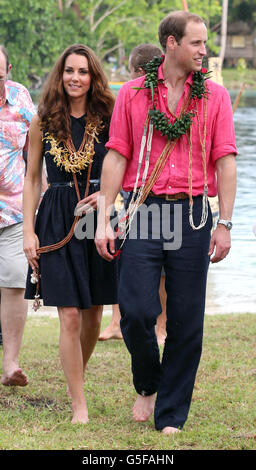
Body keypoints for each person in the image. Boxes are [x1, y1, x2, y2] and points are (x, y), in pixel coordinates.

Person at [95, 11, 237, 434]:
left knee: (187, 319)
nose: (203, 50)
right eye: (196, 43)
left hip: (194, 213)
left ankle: (171, 415)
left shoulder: (215, 97)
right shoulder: (133, 93)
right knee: (135, 310)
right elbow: (117, 155)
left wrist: (225, 222)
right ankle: (148, 382)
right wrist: (105, 218)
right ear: (171, 44)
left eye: (205, 42)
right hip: (143, 209)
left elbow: (225, 161)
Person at [23, 44, 118, 424]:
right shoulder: (42, 120)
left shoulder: (108, 117)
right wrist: (28, 231)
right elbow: (31, 180)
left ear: (93, 76)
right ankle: (79, 405)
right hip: (56, 218)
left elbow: (125, 165)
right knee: (70, 316)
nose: (75, 77)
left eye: (83, 71)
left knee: (94, 314)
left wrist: (111, 195)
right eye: (69, 71)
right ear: (60, 76)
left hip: (97, 218)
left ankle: (75, 376)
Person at [99, 43, 167, 345]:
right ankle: (117, 321)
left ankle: (160, 326)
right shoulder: (129, 98)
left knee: (162, 266)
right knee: (121, 257)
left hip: (153, 195)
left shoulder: (164, 102)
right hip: (129, 195)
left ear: (140, 72)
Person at [0, 45, 35, 387]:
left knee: (13, 280)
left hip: (13, 209)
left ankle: (10, 363)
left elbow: (33, 149)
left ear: (8, 69)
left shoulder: (21, 98)